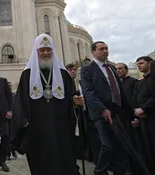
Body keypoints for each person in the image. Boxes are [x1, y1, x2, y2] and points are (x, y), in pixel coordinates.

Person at [11, 34, 79, 175]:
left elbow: (71, 95)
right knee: (41, 162)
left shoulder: (63, 74)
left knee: (64, 158)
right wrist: (23, 120)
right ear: (36, 52)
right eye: (42, 50)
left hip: (60, 126)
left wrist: (75, 100)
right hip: (37, 128)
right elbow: (20, 100)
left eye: (48, 50)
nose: (46, 53)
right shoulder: (27, 74)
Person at [81, 41, 132, 175]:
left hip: (117, 112)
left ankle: (119, 171)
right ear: (93, 52)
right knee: (107, 145)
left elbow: (119, 90)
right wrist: (102, 109)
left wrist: (130, 112)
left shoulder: (111, 68)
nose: (105, 51)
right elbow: (88, 92)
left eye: (106, 48)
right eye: (101, 49)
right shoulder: (87, 69)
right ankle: (100, 171)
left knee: (120, 146)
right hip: (101, 113)